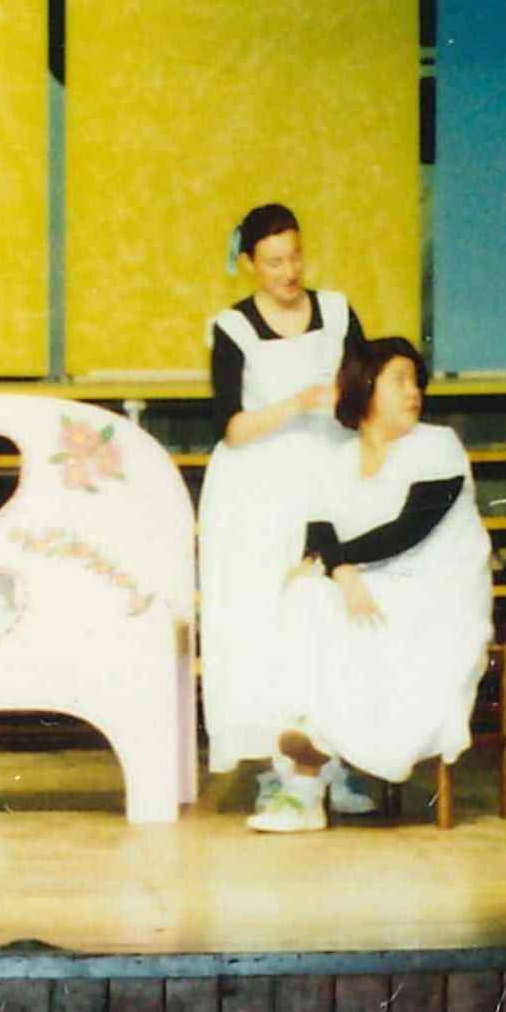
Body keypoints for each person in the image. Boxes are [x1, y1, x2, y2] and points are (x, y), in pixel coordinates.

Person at [245, 334, 492, 832]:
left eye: (416, 381)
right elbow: (319, 532)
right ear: (364, 386)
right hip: (367, 586)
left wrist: (333, 566)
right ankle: (310, 771)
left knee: (318, 598)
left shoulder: (438, 445)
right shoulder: (336, 458)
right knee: (302, 594)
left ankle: (311, 774)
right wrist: (339, 571)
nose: (413, 391)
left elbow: (409, 529)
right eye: (399, 380)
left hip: (436, 598)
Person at [196, 201, 359, 802]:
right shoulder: (232, 327)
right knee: (262, 619)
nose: (288, 273)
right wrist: (296, 404)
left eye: (294, 258)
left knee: (331, 612)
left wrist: (342, 401)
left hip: (331, 472)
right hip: (257, 489)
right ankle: (278, 766)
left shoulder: (336, 311)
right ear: (248, 264)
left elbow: (366, 390)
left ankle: (337, 761)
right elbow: (231, 427)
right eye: (273, 263)